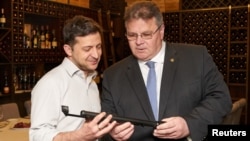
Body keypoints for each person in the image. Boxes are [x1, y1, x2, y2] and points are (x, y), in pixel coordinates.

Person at [100, 1, 232, 141]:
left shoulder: (197, 58)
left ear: (161, 31)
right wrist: (112, 132)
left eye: (146, 34)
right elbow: (106, 121)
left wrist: (189, 124)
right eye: (132, 35)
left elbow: (221, 99)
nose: (138, 42)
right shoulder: (112, 75)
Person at [29, 15, 117, 141]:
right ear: (68, 50)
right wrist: (78, 136)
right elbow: (37, 136)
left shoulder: (91, 83)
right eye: (87, 49)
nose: (96, 55)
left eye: (98, 47)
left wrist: (111, 130)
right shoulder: (50, 83)